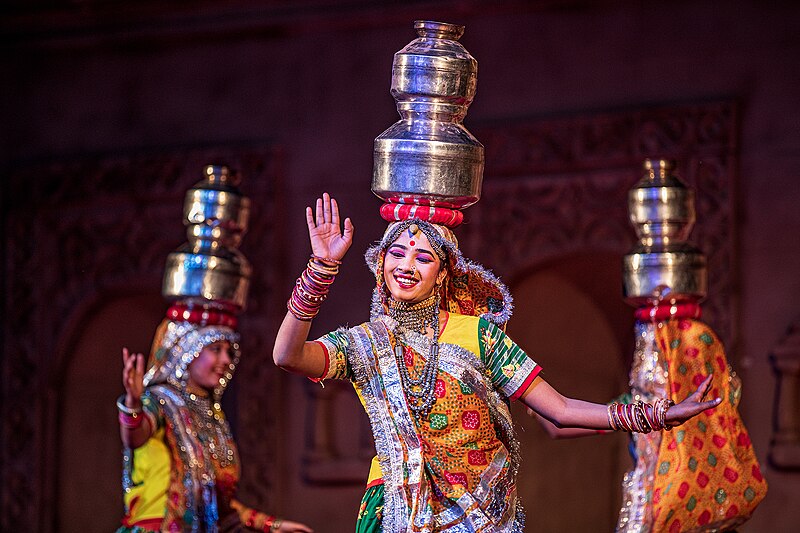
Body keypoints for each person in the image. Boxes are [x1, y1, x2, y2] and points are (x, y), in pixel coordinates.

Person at [273, 193, 721, 532]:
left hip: (480, 515)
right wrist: (321, 268)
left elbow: (560, 412)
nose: (407, 265)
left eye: (423, 256)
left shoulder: (479, 335)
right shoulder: (366, 343)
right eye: (397, 253)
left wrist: (659, 414)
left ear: (444, 272)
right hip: (395, 511)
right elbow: (287, 356)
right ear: (381, 264)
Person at [118, 310, 314, 533]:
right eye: (215, 349)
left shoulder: (212, 416)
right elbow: (135, 436)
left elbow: (220, 506)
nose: (226, 360)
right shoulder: (159, 401)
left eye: (229, 352)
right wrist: (133, 404)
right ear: (186, 349)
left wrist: (271, 525)